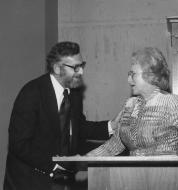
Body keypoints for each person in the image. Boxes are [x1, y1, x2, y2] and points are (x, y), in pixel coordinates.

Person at [3, 41, 111, 190]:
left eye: (82, 65)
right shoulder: (32, 93)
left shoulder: (74, 94)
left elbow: (79, 128)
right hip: (29, 182)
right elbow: (19, 144)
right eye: (75, 67)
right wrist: (54, 166)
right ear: (57, 68)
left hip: (62, 182)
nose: (81, 72)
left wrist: (112, 126)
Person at [86, 47, 178, 157]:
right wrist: (84, 159)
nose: (129, 80)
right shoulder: (129, 105)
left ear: (150, 75)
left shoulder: (170, 102)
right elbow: (115, 144)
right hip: (133, 178)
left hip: (167, 178)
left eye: (132, 74)